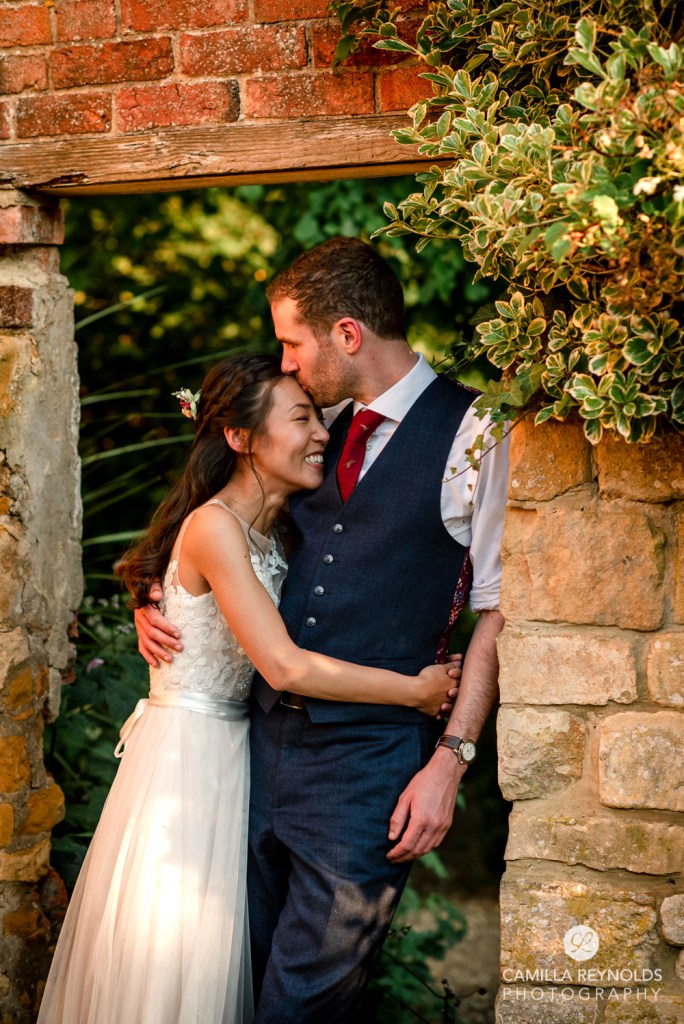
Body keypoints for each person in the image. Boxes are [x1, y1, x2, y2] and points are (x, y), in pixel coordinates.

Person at [136, 238, 508, 1024]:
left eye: (292, 342)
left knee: (300, 1008)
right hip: (251, 754)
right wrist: (161, 594)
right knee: (227, 982)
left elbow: (500, 609)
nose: (286, 363)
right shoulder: (301, 427)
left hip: (369, 770)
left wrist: (453, 758)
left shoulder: (476, 431)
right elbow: (216, 510)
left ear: (346, 335)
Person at [38, 353, 460, 1024]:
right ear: (240, 437)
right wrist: (414, 692)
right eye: (301, 420)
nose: (323, 433)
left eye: (318, 418)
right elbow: (285, 666)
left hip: (246, 757)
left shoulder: (282, 530)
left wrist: (151, 596)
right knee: (174, 952)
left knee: (220, 958)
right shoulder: (213, 526)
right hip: (187, 763)